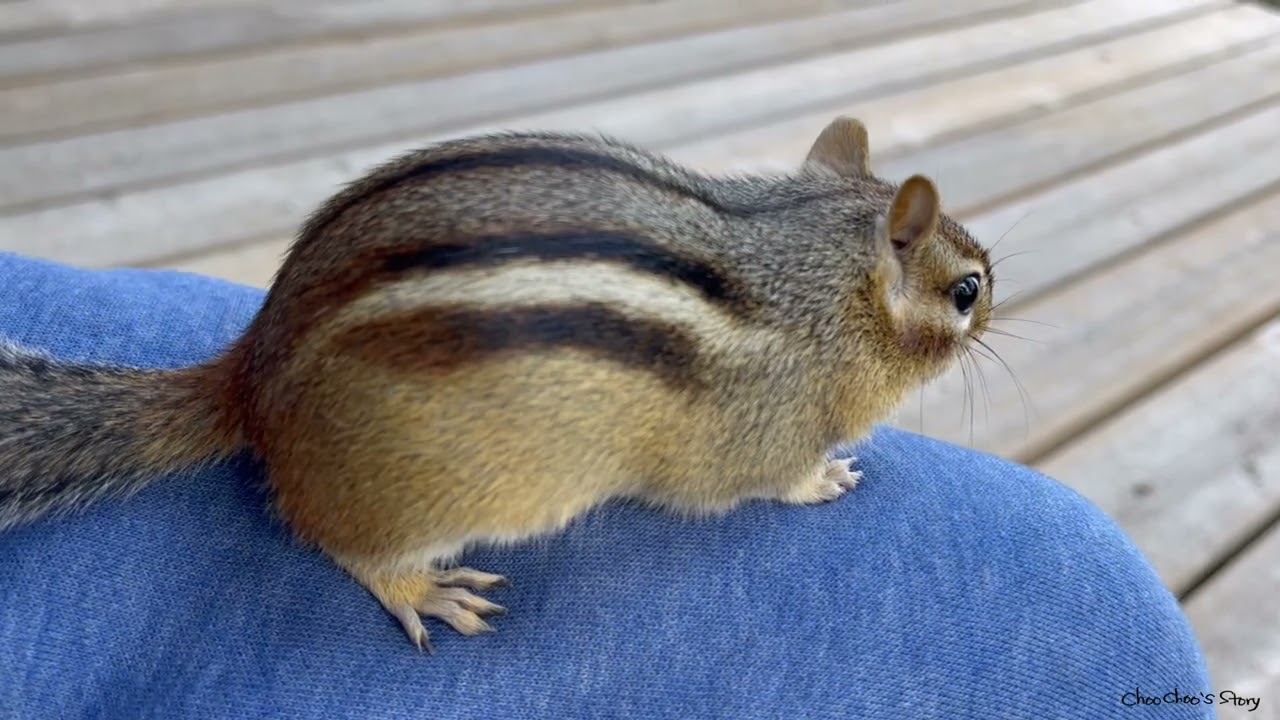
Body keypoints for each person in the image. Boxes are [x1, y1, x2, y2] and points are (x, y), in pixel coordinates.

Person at [0, 251, 1212, 719]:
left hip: (340, 337)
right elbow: (696, 472)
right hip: (360, 417)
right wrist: (783, 477)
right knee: (1097, 639)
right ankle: (372, 562)